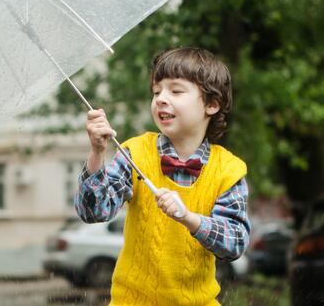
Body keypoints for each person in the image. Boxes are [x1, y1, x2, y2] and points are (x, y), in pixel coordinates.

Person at [75, 47, 250, 306]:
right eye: (157, 91)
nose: (161, 98)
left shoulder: (228, 170)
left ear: (212, 104)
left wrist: (189, 218)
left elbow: (234, 243)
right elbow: (94, 212)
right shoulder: (135, 153)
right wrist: (97, 153)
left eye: (176, 91)